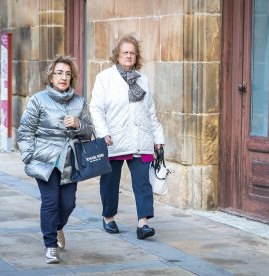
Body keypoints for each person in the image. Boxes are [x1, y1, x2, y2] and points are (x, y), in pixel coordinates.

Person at [17, 56, 93, 264]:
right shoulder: (38, 100)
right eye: (59, 73)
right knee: (50, 202)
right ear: (50, 76)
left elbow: (89, 133)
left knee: (68, 204)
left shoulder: (79, 102)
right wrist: (28, 156)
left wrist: (78, 124)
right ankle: (50, 246)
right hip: (45, 161)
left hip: (70, 161)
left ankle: (58, 226)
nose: (63, 77)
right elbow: (25, 131)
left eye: (68, 74)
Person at [90, 34, 165, 240]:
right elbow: (96, 108)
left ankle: (143, 223)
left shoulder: (143, 79)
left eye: (132, 52)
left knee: (142, 182)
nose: (129, 56)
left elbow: (150, 111)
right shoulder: (104, 78)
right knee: (110, 181)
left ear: (136, 56)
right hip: (113, 140)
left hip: (141, 139)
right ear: (117, 55)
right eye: (125, 52)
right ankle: (108, 217)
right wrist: (103, 132)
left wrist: (158, 138)